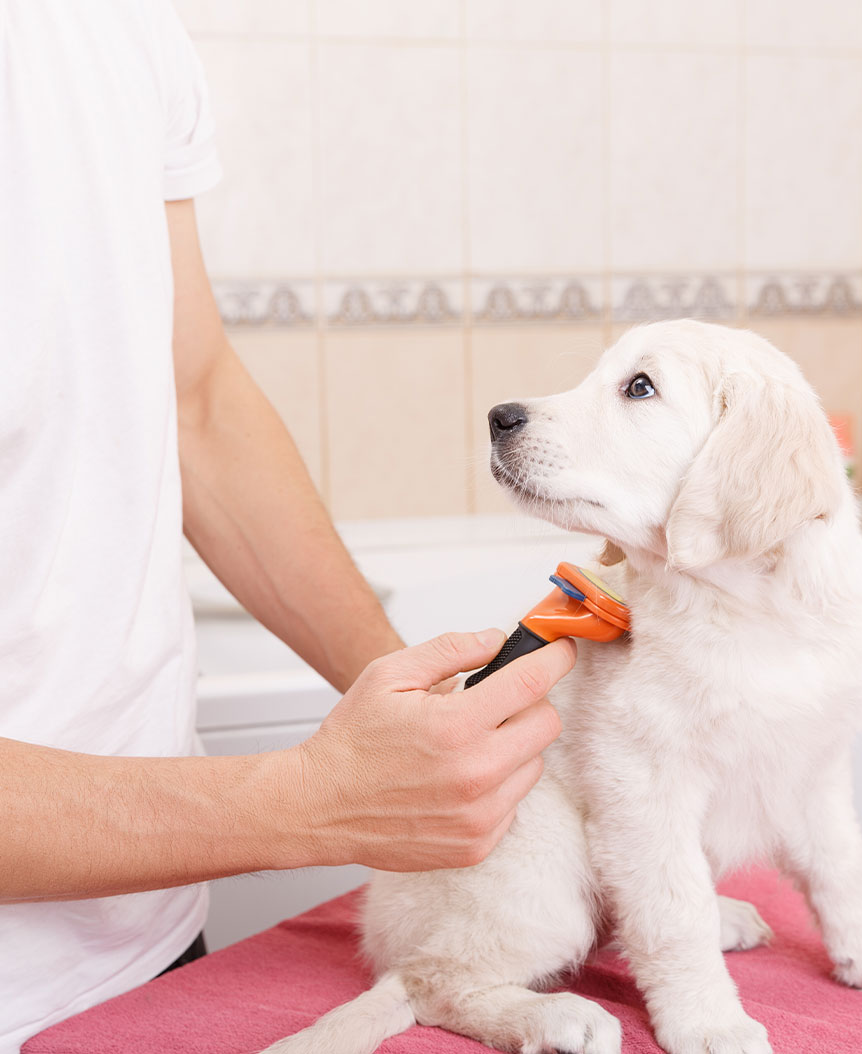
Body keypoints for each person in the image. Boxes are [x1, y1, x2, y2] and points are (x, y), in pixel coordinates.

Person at [0, 2, 571, 1050]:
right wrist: (305, 803)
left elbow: (197, 401)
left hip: (143, 940)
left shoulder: (122, 29)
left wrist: (431, 710)